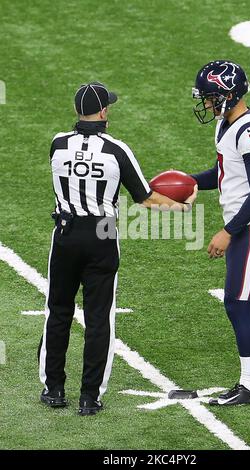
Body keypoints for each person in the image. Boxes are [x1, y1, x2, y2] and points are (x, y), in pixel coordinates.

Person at [38, 81, 197, 416]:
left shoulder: (57, 144)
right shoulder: (116, 150)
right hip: (101, 234)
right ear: (105, 111)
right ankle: (89, 397)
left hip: (65, 233)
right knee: (99, 319)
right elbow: (147, 197)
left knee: (58, 311)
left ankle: (53, 389)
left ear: (77, 111)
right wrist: (183, 207)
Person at [190, 60, 250, 405]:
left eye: (211, 97)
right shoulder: (227, 125)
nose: (207, 104)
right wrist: (187, 181)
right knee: (247, 305)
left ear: (228, 94)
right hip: (246, 228)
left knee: (238, 305)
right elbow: (223, 173)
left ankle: (249, 387)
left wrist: (227, 231)